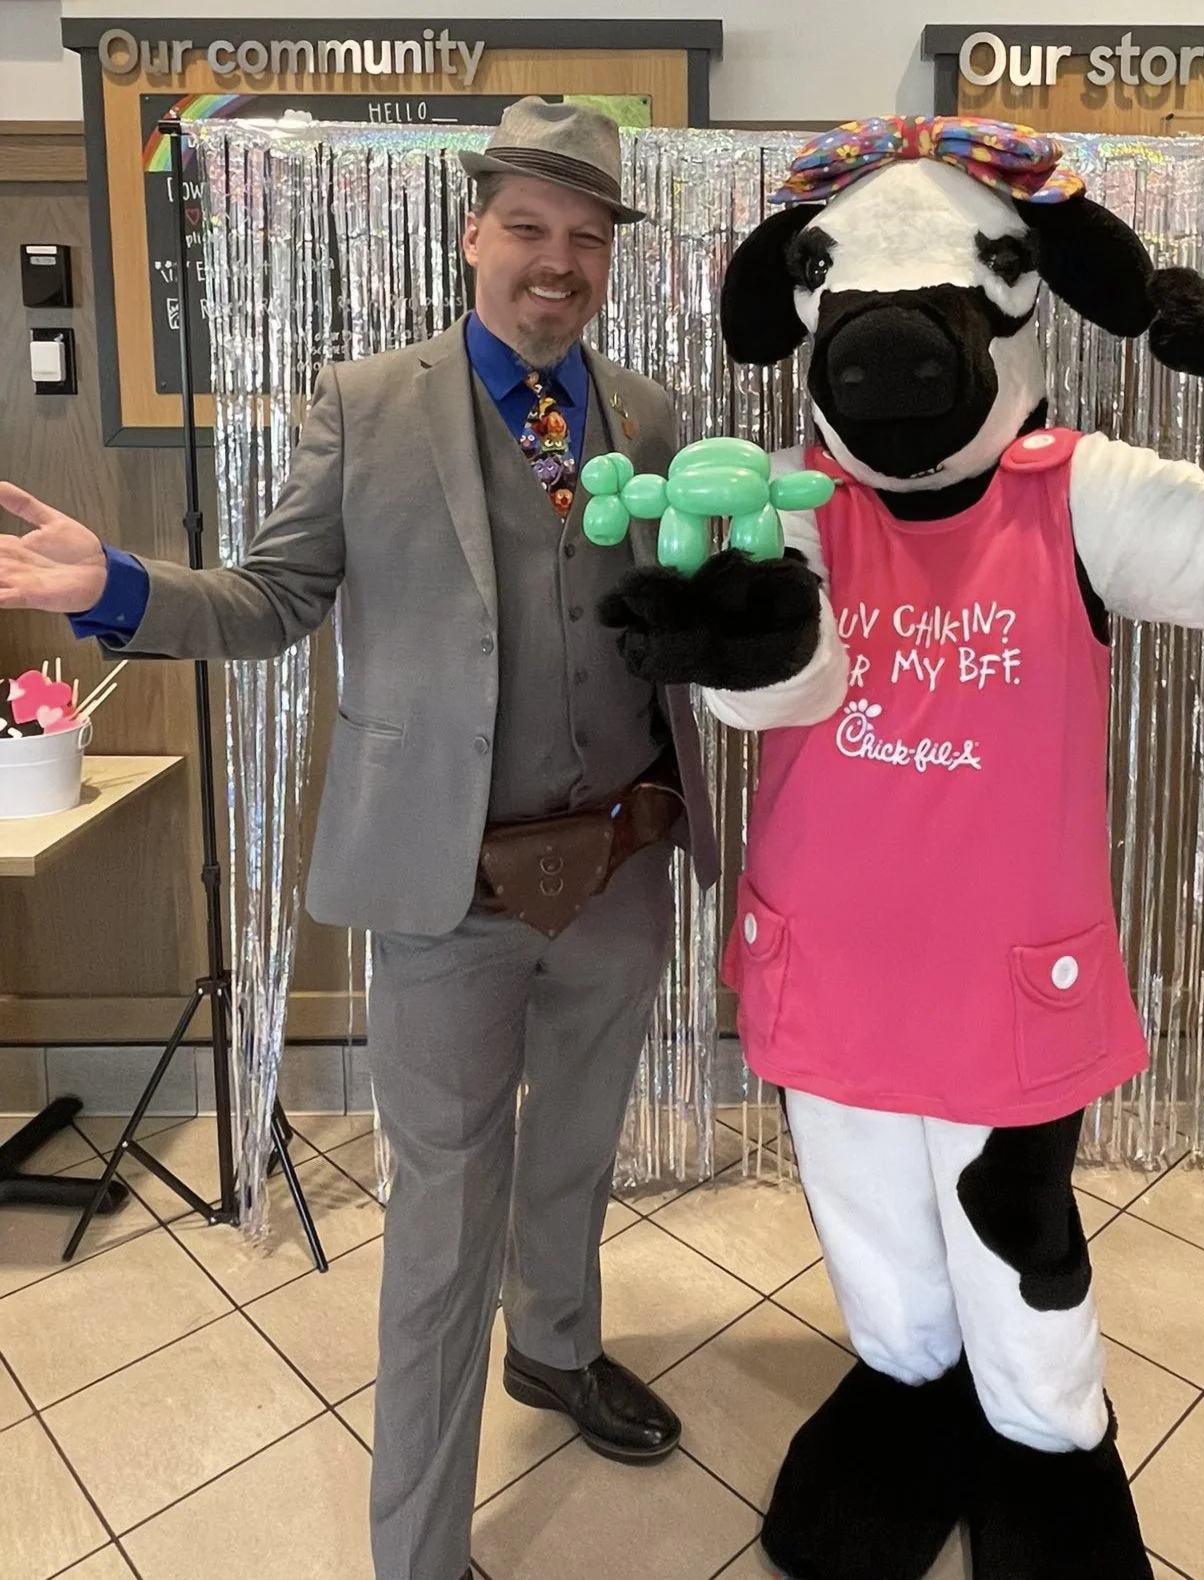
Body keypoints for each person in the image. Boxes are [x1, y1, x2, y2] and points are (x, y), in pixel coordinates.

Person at [0, 97, 718, 1580]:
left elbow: (673, 633)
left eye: (587, 238)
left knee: (578, 1153)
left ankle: (560, 1351)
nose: (557, 261)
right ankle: (417, 1553)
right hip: (445, 892)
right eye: (529, 226)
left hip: (625, 872)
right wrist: (118, 585)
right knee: (446, 1226)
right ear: (473, 232)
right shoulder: (363, 403)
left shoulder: (649, 415)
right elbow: (271, 602)